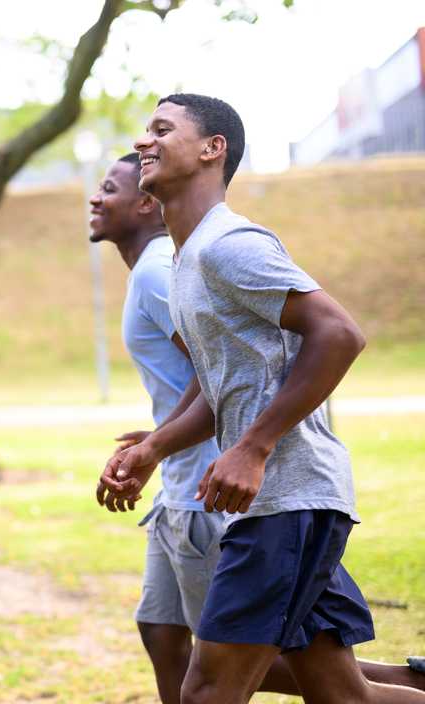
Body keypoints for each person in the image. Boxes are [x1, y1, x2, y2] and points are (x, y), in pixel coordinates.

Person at [98, 93, 425, 703]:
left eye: (162, 130)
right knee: (339, 694)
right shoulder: (190, 258)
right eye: (145, 131)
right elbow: (224, 389)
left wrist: (254, 446)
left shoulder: (231, 245)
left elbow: (339, 333)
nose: (144, 141)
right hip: (286, 507)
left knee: (206, 690)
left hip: (288, 504)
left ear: (211, 149)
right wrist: (154, 450)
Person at [88, 151, 226, 703]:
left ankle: (398, 684)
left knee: (237, 664)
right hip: (176, 489)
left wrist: (156, 444)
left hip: (204, 495)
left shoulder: (155, 270)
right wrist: (153, 445)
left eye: (108, 189)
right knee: (162, 633)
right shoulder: (150, 267)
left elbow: (215, 366)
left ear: (146, 202)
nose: (95, 198)